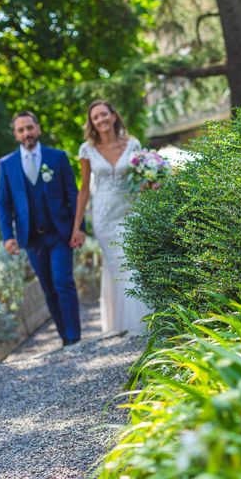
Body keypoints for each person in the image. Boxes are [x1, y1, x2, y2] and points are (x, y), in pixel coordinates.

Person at [0, 111, 83, 346]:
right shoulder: (7, 164)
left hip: (60, 233)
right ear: (16, 135)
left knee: (63, 282)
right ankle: (65, 335)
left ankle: (74, 339)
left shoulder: (58, 157)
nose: (27, 133)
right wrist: (8, 237)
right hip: (32, 238)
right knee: (49, 289)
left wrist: (79, 228)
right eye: (21, 130)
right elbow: (4, 204)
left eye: (29, 128)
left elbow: (73, 195)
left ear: (38, 129)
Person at [70, 100, 151, 334]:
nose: (101, 120)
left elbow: (142, 181)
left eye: (104, 114)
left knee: (133, 264)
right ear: (92, 123)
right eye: (96, 117)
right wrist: (78, 227)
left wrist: (152, 182)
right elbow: (84, 189)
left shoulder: (133, 144)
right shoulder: (87, 150)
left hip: (131, 210)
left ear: (113, 116)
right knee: (118, 266)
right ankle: (125, 325)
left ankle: (141, 324)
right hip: (104, 216)